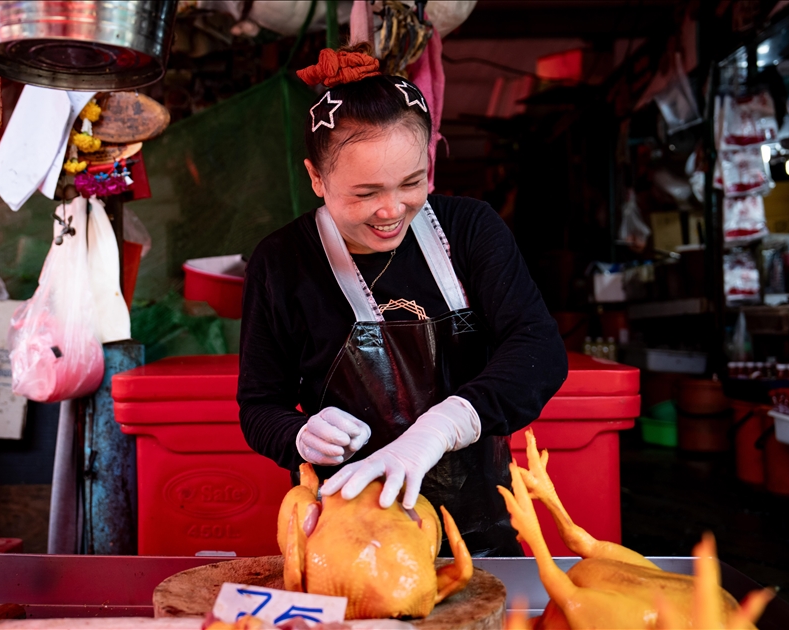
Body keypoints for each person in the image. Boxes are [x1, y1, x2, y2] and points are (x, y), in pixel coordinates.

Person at [237, 45, 568, 557]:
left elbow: (539, 351)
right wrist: (299, 434)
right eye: (365, 193)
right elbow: (260, 406)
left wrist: (442, 426)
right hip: (348, 542)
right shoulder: (282, 262)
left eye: (411, 183)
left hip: (479, 538)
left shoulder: (469, 231)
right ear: (316, 177)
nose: (392, 210)